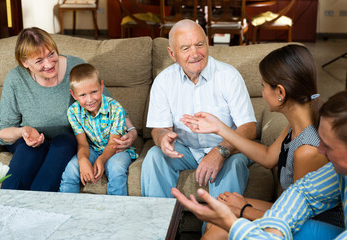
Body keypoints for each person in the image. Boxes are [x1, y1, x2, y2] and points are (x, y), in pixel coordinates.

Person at [180, 44, 334, 239]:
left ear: (280, 92)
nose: (261, 92)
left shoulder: (307, 150)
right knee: (219, 212)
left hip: (312, 226)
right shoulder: (300, 119)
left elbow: (298, 217)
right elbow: (268, 157)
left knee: (221, 226)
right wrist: (220, 128)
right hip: (289, 212)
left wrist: (243, 210)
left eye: (263, 85)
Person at [172, 90, 347, 239]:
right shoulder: (336, 170)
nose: (321, 149)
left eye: (328, 145)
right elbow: (304, 193)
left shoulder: (308, 149)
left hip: (327, 226)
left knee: (225, 227)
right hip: (315, 220)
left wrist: (241, 215)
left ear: (280, 91)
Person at [0, 27, 137, 192]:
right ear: (25, 63)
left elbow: (109, 105)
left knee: (64, 143)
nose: (49, 64)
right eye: (39, 61)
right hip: (29, 142)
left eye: (51, 54)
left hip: (67, 140)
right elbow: (2, 131)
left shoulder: (76, 67)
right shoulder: (15, 79)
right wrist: (23, 132)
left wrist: (132, 131)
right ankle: (7, 211)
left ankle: (40, 208)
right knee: (30, 151)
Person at [141, 19, 257, 200]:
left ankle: (217, 227)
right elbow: (159, 128)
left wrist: (220, 151)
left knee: (236, 163)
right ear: (172, 54)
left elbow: (249, 128)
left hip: (229, 149)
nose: (195, 54)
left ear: (207, 43)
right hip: (185, 149)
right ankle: (160, 225)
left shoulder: (229, 76)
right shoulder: (164, 81)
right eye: (185, 48)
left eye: (199, 45)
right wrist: (162, 137)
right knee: (154, 156)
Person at [59, 64, 137, 195]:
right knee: (71, 170)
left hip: (117, 149)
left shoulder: (116, 108)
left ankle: (116, 211)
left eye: (94, 92)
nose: (90, 100)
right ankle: (67, 210)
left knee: (116, 169)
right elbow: (82, 144)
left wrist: (101, 160)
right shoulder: (73, 112)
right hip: (92, 148)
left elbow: (113, 143)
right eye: (82, 95)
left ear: (101, 87)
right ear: (73, 94)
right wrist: (83, 160)